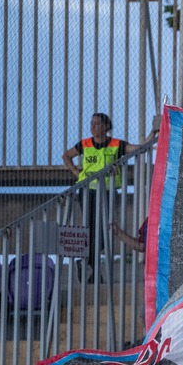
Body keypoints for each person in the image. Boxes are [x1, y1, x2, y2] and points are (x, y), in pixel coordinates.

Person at [61, 113, 157, 279]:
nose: (93, 127)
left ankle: (86, 262)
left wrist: (153, 133)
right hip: (87, 191)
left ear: (106, 127)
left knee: (104, 231)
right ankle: (92, 271)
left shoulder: (116, 144)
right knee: (90, 230)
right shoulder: (85, 143)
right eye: (92, 123)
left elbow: (139, 149)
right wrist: (76, 172)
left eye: (97, 124)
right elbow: (66, 155)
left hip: (107, 191)